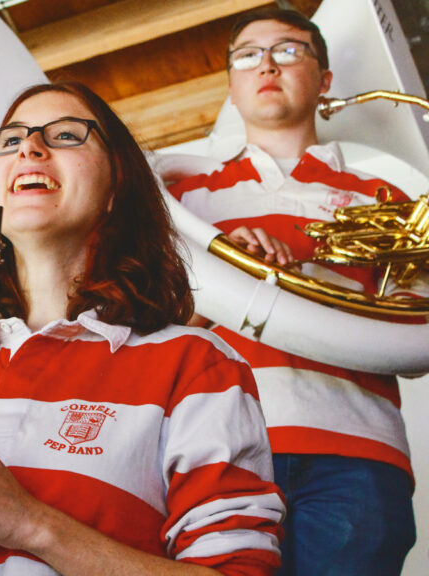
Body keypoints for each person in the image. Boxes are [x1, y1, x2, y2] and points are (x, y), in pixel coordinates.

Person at [0, 82, 285, 576]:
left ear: (117, 185)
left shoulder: (196, 365)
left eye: (65, 135)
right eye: (10, 141)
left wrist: (30, 524)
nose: (30, 148)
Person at [163, 9, 421, 575]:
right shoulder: (182, 195)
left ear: (325, 80)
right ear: (231, 84)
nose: (268, 65)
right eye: (248, 55)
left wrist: (315, 272)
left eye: (289, 50)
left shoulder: (387, 197)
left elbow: (417, 337)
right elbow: (153, 325)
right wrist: (229, 276)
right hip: (216, 442)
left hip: (357, 448)